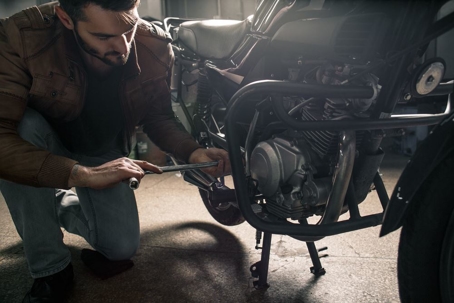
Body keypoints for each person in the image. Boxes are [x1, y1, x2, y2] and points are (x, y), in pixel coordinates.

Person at [0, 0, 230, 302]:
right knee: (21, 128)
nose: (122, 47)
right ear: (66, 19)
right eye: (103, 37)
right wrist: (78, 174)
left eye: (128, 29)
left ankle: (54, 203)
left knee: (120, 248)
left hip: (103, 147)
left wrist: (193, 152)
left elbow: (158, 117)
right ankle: (51, 268)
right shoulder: (22, 35)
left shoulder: (154, 44)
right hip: (43, 144)